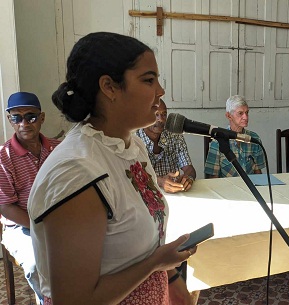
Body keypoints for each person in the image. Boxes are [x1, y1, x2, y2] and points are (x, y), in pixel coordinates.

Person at [27, 32, 195, 305]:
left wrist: (173, 282)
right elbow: (74, 300)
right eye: (148, 80)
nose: (161, 91)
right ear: (109, 87)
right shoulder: (76, 172)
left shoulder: (130, 147)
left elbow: (140, 241)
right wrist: (155, 263)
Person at [0, 92, 61, 304]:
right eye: (16, 117)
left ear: (42, 118)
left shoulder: (58, 149)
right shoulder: (3, 157)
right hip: (21, 226)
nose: (24, 123)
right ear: (10, 120)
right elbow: (6, 206)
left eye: (31, 117)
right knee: (37, 265)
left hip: (58, 219)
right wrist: (40, 225)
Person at [136, 98, 196, 193]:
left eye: (164, 114)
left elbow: (189, 168)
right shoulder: (134, 139)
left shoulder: (174, 135)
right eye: (156, 115)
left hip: (174, 195)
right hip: (143, 195)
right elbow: (132, 175)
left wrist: (187, 178)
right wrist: (159, 181)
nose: (161, 119)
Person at [204, 95, 265, 178]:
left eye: (247, 112)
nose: (245, 117)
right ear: (229, 116)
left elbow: (258, 173)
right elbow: (213, 178)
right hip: (227, 188)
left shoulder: (254, 139)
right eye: (240, 113)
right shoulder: (218, 141)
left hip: (250, 187)